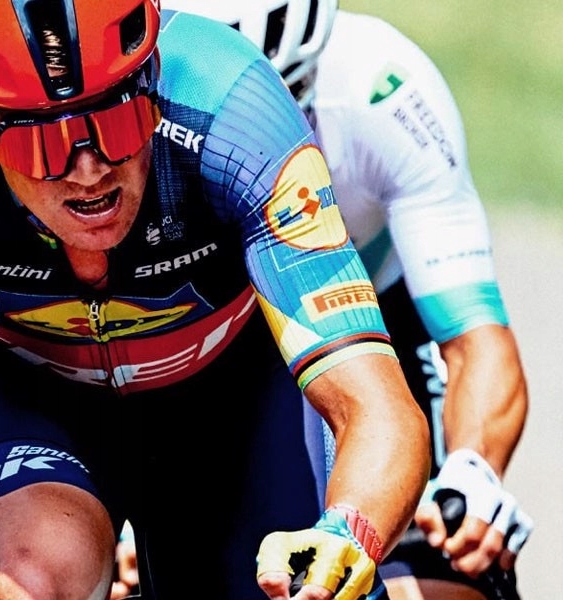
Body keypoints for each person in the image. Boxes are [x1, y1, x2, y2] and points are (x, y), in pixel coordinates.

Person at [0, 1, 431, 599]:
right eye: (44, 145)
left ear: (153, 79)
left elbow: (376, 404)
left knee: (304, 584)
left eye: (118, 124)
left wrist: (350, 531)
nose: (89, 171)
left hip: (229, 393)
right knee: (35, 576)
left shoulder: (233, 108)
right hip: (19, 391)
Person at [112, 1, 533, 599]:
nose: (265, 135)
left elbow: (472, 337)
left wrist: (472, 472)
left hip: (370, 317)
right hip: (202, 337)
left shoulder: (380, 87)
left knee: (463, 570)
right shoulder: (125, 120)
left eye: (289, 101)